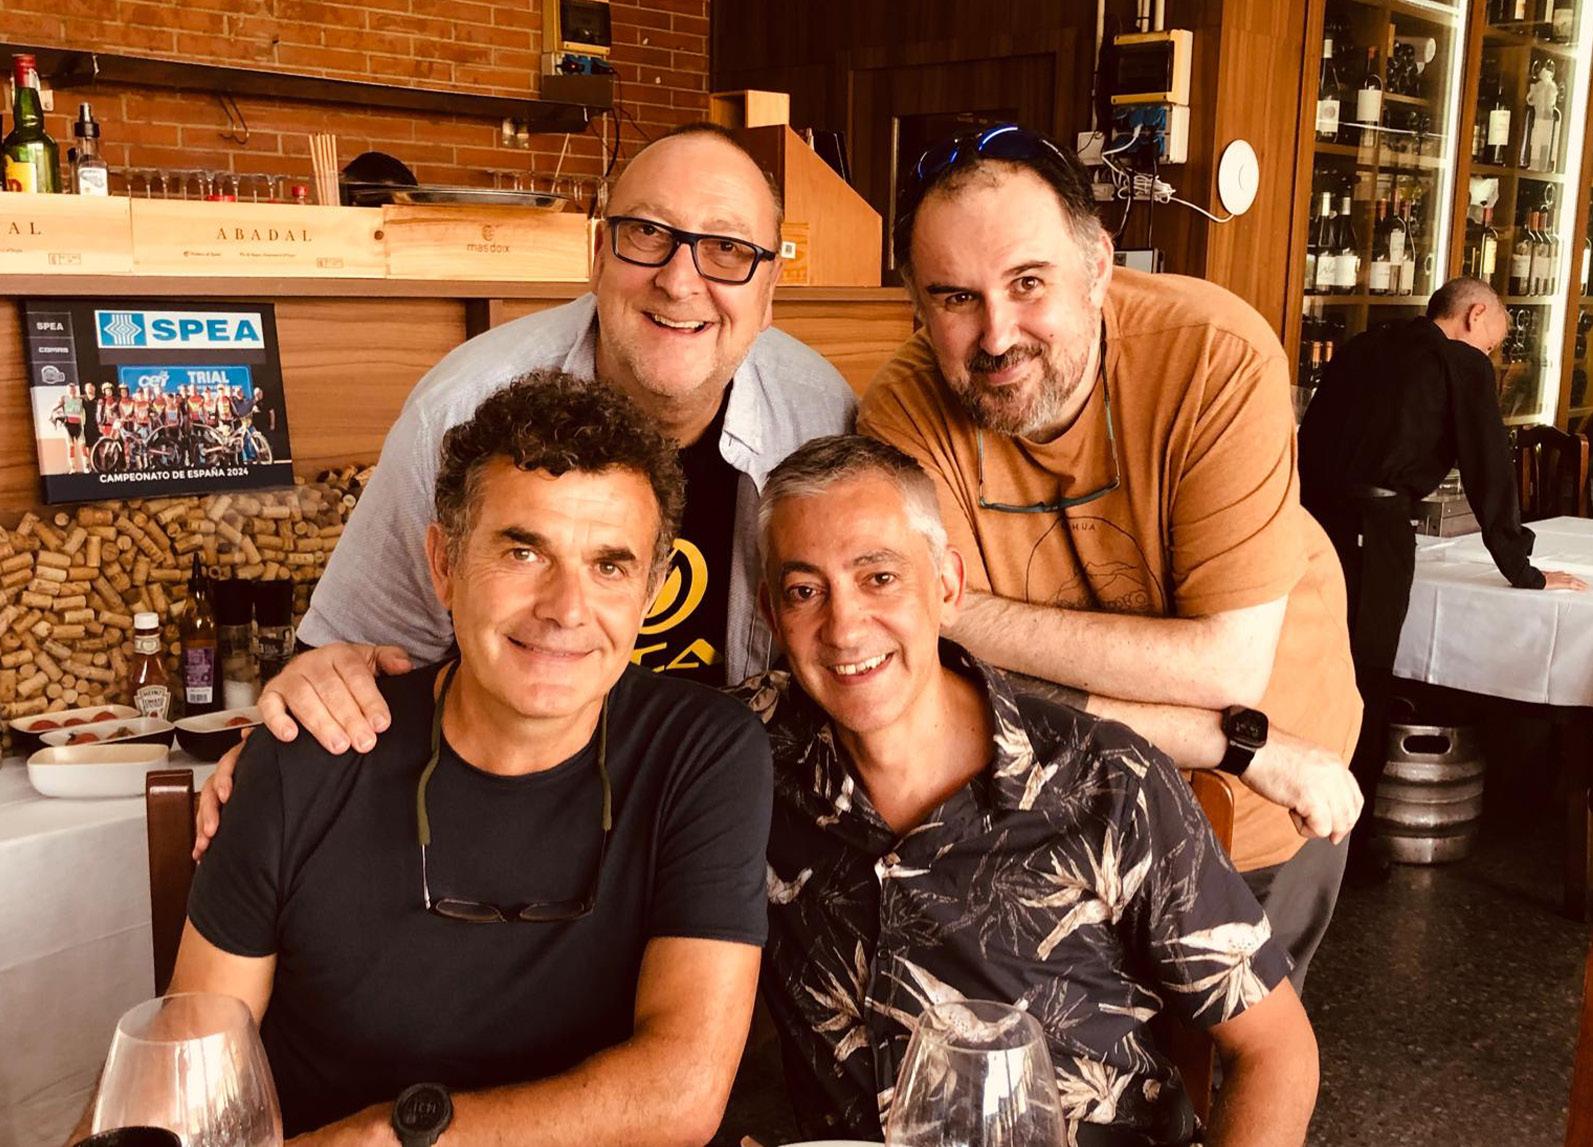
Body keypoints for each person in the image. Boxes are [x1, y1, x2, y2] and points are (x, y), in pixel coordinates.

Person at [76, 372, 772, 1146]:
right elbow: (187, 1057)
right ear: (443, 563)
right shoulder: (312, 750)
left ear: (651, 589)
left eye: (609, 566)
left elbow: (678, 1092)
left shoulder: (703, 753)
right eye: (523, 551)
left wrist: (390, 1136)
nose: (566, 609)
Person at [192, 121, 853, 840]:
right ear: (597, 254)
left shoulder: (819, 419)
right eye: (645, 233)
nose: (680, 280)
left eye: (727, 249)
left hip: (725, 819)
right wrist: (285, 759)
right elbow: (349, 659)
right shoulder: (459, 412)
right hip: (498, 823)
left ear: (770, 288)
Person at [856, 124, 1362, 990]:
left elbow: (1226, 667)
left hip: (1265, 799)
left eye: (1027, 283)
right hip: (1091, 799)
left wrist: (959, 613)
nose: (995, 335)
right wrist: (1229, 741)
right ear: (916, 302)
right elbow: (939, 679)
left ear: (1096, 266)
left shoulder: (1214, 355)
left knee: (1236, 1057)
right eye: (956, 297)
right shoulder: (901, 414)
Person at [742, 435, 1318, 1147]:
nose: (844, 627)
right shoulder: (744, 756)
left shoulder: (1109, 782)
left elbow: (1274, 1049)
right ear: (771, 613)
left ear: (947, 585)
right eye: (804, 591)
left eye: (879, 577)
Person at [1298, 276, 1588, 877]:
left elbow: (1309, 434)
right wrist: (1523, 569)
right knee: (1365, 676)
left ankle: (1285, 827)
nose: (1491, 356)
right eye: (1493, 344)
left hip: (1307, 524)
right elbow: (1488, 468)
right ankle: (1347, 849)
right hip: (1375, 529)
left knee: (1307, 666)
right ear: (1475, 315)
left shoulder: (1366, 344)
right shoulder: (1461, 362)